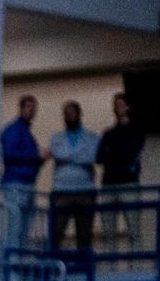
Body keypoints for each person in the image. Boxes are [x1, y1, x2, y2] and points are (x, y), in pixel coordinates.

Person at [97, 92, 146, 251]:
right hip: (109, 184)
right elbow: (99, 157)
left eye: (121, 104)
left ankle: (137, 269)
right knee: (108, 232)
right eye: (116, 105)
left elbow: (129, 153)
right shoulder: (108, 133)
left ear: (128, 107)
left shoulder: (137, 129)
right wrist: (116, 152)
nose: (118, 108)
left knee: (134, 229)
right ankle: (111, 271)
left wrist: (113, 151)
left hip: (129, 183)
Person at [49, 101, 100, 252]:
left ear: (79, 114)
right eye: (66, 113)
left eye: (72, 112)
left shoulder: (92, 137)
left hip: (85, 191)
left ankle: (84, 269)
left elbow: (91, 157)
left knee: (84, 234)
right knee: (56, 232)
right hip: (61, 191)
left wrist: (68, 156)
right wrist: (79, 155)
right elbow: (57, 154)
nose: (69, 116)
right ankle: (54, 269)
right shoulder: (56, 137)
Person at [1, 94, 46, 249]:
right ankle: (12, 260)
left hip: (27, 183)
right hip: (16, 182)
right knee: (15, 224)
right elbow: (9, 153)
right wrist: (35, 157)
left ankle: (19, 258)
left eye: (34, 108)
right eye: (28, 107)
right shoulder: (14, 130)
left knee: (25, 226)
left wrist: (40, 160)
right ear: (21, 108)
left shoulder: (27, 134)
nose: (31, 111)